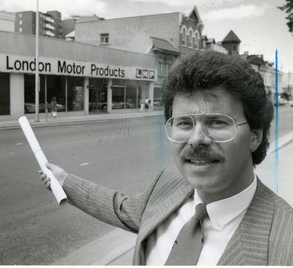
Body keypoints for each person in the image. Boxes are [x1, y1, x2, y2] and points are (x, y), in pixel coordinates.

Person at [40, 50, 293, 265]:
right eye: (183, 123)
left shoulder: (285, 243)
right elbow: (120, 206)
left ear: (255, 135)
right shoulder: (168, 183)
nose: (196, 139)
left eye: (217, 122)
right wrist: (64, 181)